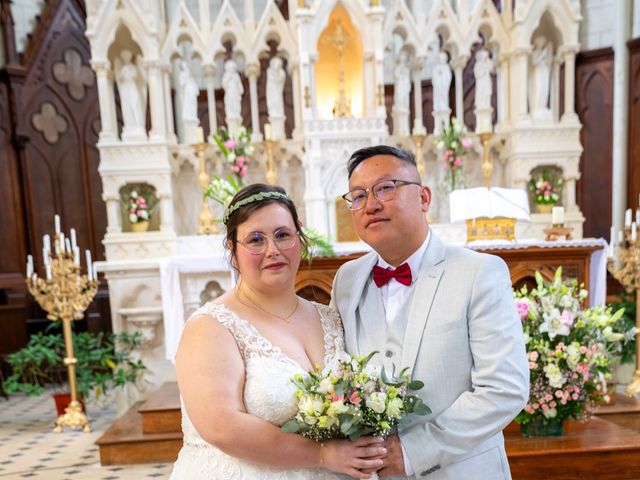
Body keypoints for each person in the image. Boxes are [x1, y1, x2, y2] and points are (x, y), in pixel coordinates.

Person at [331, 146, 529, 479]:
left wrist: (412, 452)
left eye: (386, 188)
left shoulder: (479, 272)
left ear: (423, 198)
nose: (371, 205)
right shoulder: (347, 280)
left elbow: (503, 388)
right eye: (358, 196)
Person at [170, 183, 385, 479]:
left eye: (283, 235)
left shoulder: (329, 317)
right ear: (233, 251)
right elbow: (220, 427)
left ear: (300, 240)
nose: (273, 250)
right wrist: (322, 455)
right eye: (256, 240)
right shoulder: (210, 326)